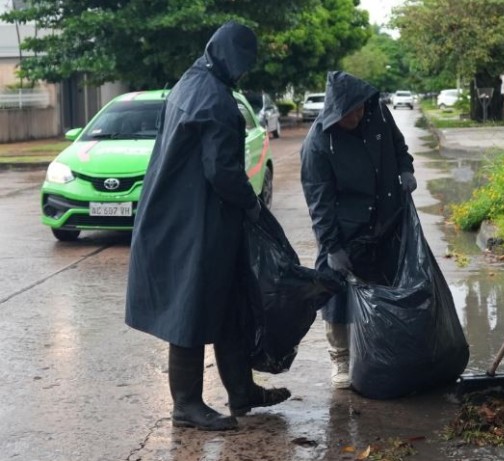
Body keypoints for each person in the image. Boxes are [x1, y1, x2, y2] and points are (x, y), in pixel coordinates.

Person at [125, 21, 290, 431]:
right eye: (243, 63)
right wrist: (253, 206)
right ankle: (186, 404)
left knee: (227, 304)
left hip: (188, 216)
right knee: (191, 307)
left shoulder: (189, 83)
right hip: (195, 223)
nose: (243, 72)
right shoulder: (214, 99)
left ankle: (241, 392)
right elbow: (222, 171)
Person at [300, 71, 416, 389]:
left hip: (386, 217)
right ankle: (340, 358)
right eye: (348, 112)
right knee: (336, 294)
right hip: (344, 228)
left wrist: (405, 168)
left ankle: (378, 350)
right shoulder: (318, 144)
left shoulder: (377, 112)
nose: (356, 116)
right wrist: (331, 246)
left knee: (384, 287)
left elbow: (397, 144)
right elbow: (318, 201)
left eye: (359, 109)